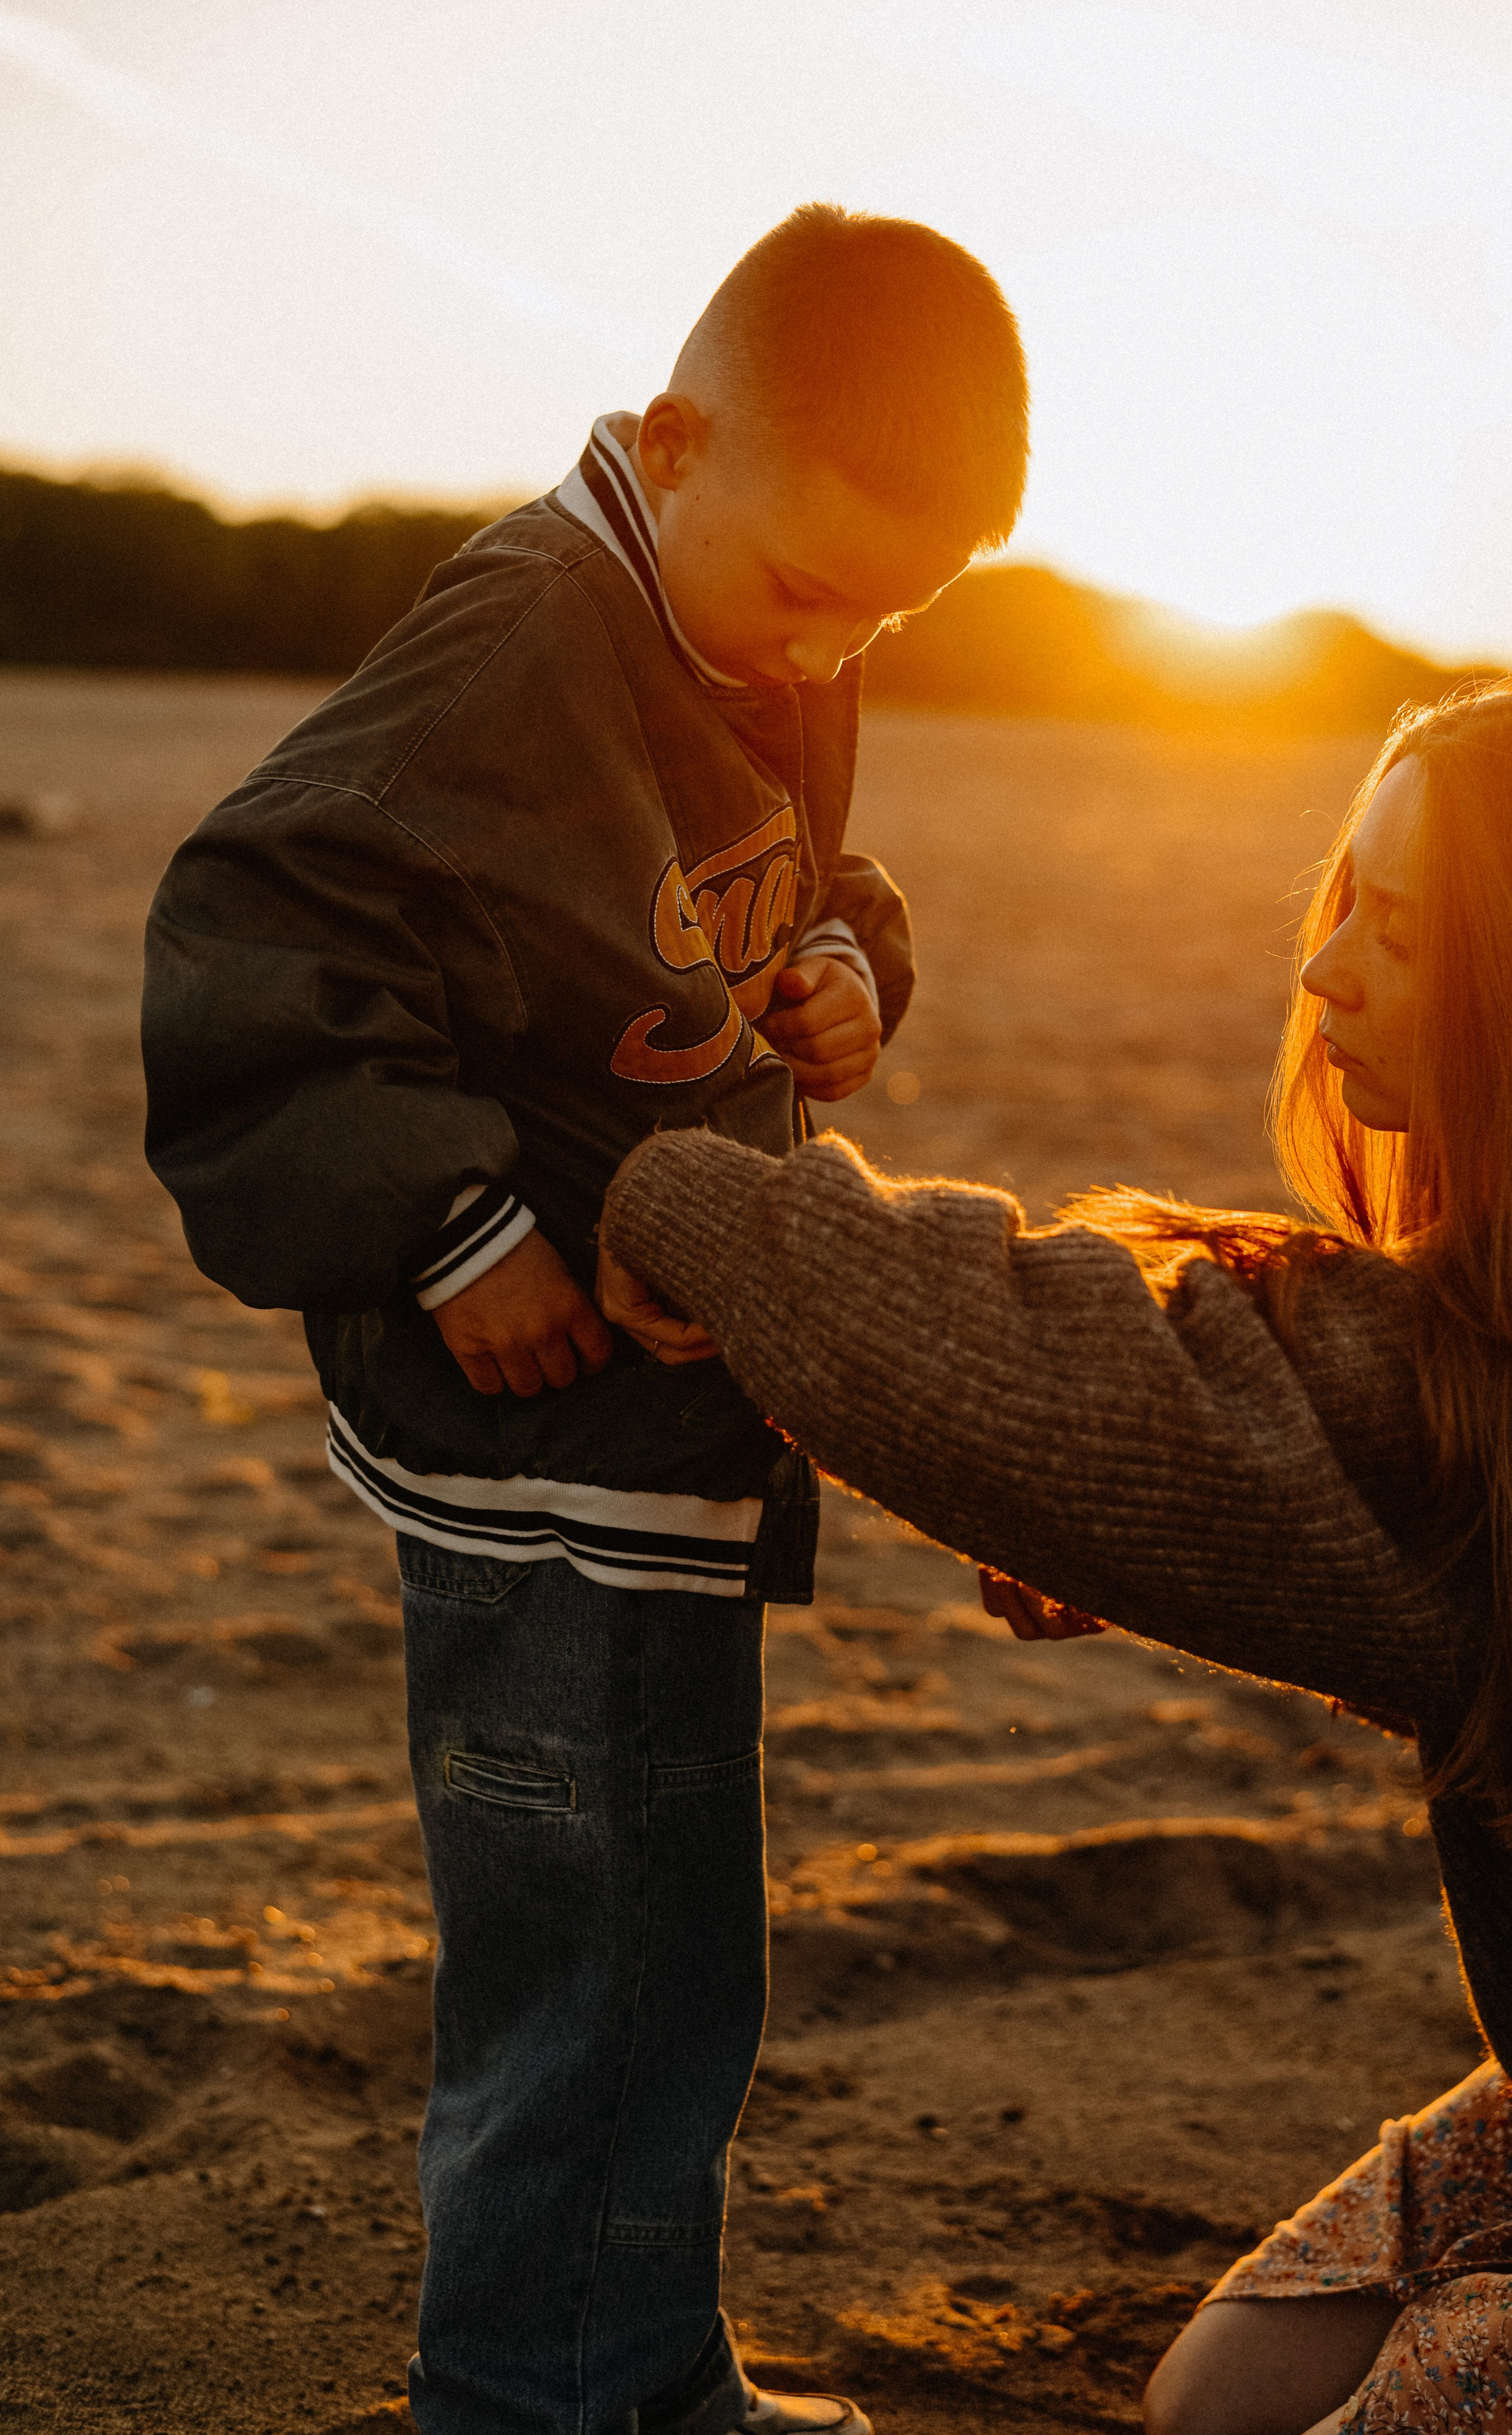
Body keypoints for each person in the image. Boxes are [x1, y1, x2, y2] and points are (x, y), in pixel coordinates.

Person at [141, 204, 1029, 2435]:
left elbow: (796, 881)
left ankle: (635, 2376)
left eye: (888, 617)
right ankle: (526, 2396)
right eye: (816, 592)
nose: (828, 650)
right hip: (531, 1434)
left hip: (667, 1423)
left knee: (671, 1952)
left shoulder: (754, 616)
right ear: (673, 433)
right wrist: (451, 1225)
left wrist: (847, 971)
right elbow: (253, 938)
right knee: (583, 1957)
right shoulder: (526, 632)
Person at [597, 672, 1512, 2435]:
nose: (1324, 971)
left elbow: (1043, 1362)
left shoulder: (1506, 1413)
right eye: (1340, 902)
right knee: (1215, 2396)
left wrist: (680, 1198)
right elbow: (1382, 1546)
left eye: (1402, 923)